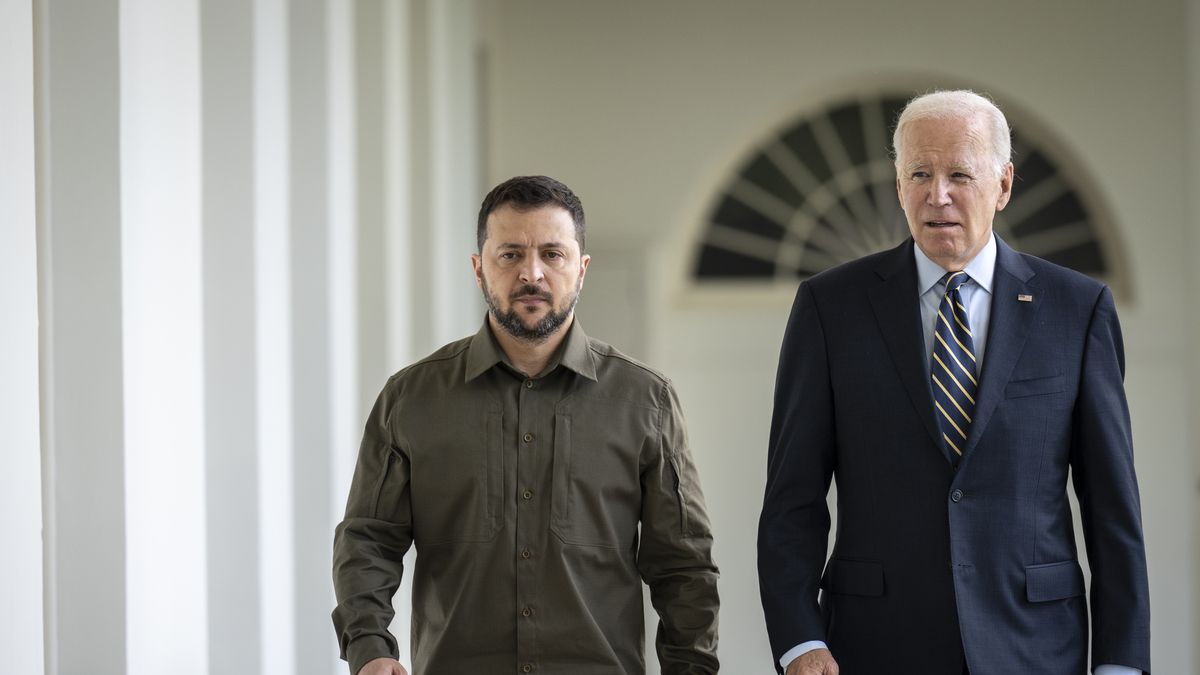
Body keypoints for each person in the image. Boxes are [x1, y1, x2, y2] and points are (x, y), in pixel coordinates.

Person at [757, 90, 1150, 675]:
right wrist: (798, 640)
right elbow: (793, 499)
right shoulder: (829, 307)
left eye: (959, 174)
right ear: (897, 185)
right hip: (874, 646)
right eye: (919, 173)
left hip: (1035, 648)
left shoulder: (1076, 308)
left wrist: (1121, 661)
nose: (937, 195)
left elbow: (1112, 507)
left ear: (1004, 185)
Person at [332, 175, 720, 675]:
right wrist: (370, 649)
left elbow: (684, 564)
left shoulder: (646, 401)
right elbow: (368, 539)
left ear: (581, 270)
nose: (531, 273)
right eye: (510, 254)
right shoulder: (410, 399)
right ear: (479, 269)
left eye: (552, 254)